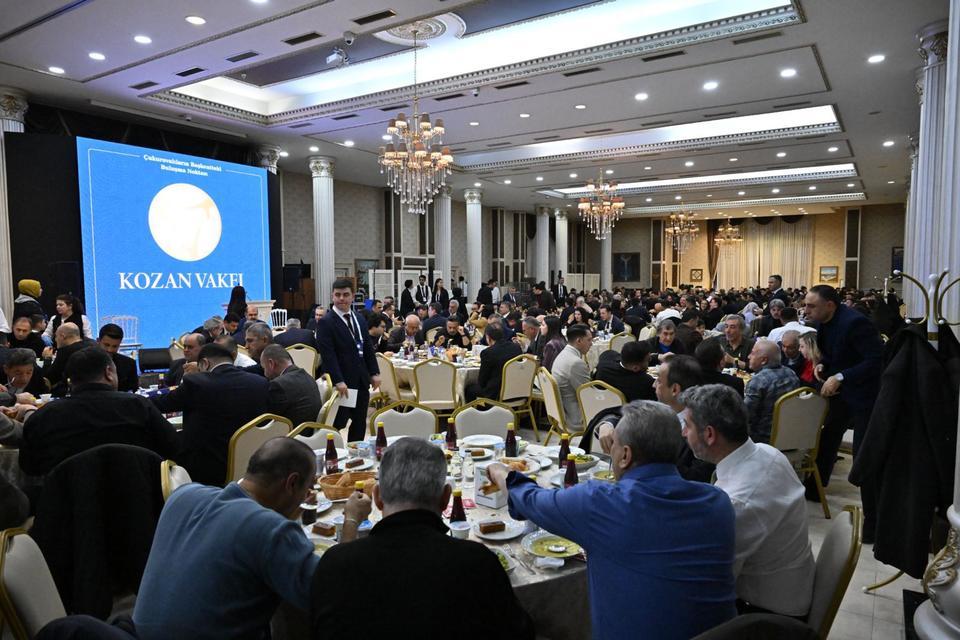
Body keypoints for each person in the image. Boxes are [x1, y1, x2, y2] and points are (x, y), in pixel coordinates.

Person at [487, 401, 736, 640]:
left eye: (613, 444)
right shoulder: (718, 503)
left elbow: (531, 500)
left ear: (625, 455)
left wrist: (501, 473)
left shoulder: (602, 503)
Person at [134, 437, 371, 640]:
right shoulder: (272, 531)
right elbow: (335, 594)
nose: (307, 497)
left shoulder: (183, 495)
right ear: (291, 483)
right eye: (307, 489)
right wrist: (351, 520)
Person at [314, 439, 533, 638]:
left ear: (377, 498)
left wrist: (351, 522)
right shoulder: (478, 562)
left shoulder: (336, 563)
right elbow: (520, 633)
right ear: (446, 498)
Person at [678, 384, 815, 618]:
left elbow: (711, 580)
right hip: (789, 589)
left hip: (767, 617)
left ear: (709, 435)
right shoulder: (767, 452)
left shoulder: (737, 503)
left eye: (687, 426)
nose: (683, 433)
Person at [19, 347, 179, 478]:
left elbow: (29, 467)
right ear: (109, 372)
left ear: (70, 380)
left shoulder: (44, 416)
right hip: (139, 497)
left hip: (68, 502)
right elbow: (173, 448)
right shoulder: (138, 406)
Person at [803, 285, 882, 524]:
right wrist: (823, 365)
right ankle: (815, 491)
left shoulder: (855, 323)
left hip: (864, 394)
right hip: (840, 392)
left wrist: (840, 376)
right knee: (827, 437)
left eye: (811, 306)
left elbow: (876, 360)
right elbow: (833, 355)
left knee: (862, 453)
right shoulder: (822, 322)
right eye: (806, 305)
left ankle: (872, 519)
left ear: (830, 305)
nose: (806, 310)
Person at [151, 343, 270, 486]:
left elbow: (164, 403)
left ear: (205, 363)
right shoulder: (260, 383)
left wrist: (138, 400)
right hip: (252, 464)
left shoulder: (197, 383)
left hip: (206, 469)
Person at [316, 278, 381, 442]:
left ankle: (355, 453)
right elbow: (328, 355)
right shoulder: (326, 322)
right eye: (337, 295)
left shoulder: (359, 318)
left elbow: (367, 347)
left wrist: (374, 372)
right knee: (338, 423)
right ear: (332, 296)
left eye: (345, 295)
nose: (341, 298)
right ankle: (334, 452)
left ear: (352, 296)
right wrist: (338, 380)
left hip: (361, 380)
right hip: (342, 382)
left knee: (359, 423)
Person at [652, 355, 714, 482]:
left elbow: (697, 478)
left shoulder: (702, 430)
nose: (653, 385)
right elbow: (622, 412)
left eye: (658, 381)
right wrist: (609, 424)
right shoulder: (662, 410)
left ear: (674, 389)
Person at [743, 340, 801, 444]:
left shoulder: (758, 380)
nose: (748, 356)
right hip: (790, 435)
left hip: (763, 437)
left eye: (752, 353)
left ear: (764, 360)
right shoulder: (791, 374)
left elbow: (746, 415)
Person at [261, 344, 323, 426]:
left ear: (271, 363)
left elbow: (268, 421)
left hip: (293, 432)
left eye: (264, 368)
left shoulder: (278, 385)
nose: (265, 373)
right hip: (311, 429)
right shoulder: (307, 376)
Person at [551, 324, 593, 431]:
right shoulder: (575, 363)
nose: (591, 343)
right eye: (589, 340)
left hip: (561, 412)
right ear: (579, 341)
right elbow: (588, 395)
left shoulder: (563, 354)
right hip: (576, 417)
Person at [464, 324, 521, 403]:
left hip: (496, 393)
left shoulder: (488, 353)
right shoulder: (516, 347)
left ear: (488, 337)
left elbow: (482, 381)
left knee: (469, 389)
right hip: (517, 391)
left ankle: (478, 410)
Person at [41, 322, 95, 396]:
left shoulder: (65, 351)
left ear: (63, 336)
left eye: (56, 336)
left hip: (76, 393)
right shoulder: (93, 344)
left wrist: (47, 359)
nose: (55, 340)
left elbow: (48, 379)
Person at [97, 323, 139, 392]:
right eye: (106, 345)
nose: (110, 350)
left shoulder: (129, 364)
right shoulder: (86, 362)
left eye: (115, 346)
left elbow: (133, 392)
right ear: (98, 341)